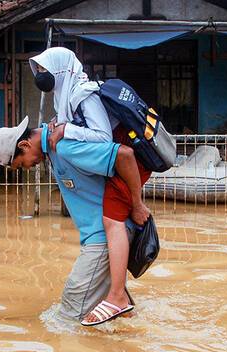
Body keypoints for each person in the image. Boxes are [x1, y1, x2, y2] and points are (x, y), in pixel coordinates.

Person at [28, 47, 152, 326]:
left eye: (45, 71)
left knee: (111, 221)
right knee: (111, 222)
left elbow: (102, 136)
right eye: (38, 72)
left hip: (129, 159)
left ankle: (117, 296)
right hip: (121, 160)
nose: (41, 77)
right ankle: (124, 311)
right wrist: (62, 126)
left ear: (61, 70)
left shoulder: (82, 93)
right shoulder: (67, 98)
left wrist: (66, 131)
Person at [0, 116, 143, 324]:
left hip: (103, 239)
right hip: (102, 238)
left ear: (24, 145)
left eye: (20, 164)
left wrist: (137, 205)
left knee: (68, 316)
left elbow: (124, 155)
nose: (27, 168)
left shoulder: (64, 147)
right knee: (120, 318)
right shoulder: (54, 148)